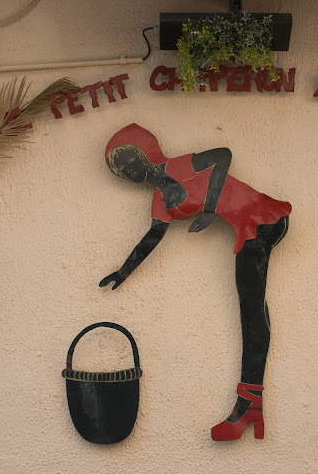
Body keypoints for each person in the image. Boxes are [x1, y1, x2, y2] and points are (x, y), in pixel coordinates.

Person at [99, 123, 291, 441]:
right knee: (255, 313)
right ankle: (251, 407)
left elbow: (222, 155)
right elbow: (152, 238)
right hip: (246, 226)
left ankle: (247, 408)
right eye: (121, 170)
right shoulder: (160, 201)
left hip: (260, 217)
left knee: (252, 314)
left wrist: (210, 208)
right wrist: (124, 270)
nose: (128, 172)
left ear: (144, 153)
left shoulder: (177, 166)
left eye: (128, 162)